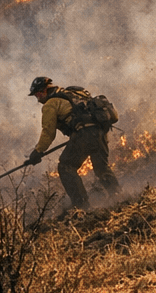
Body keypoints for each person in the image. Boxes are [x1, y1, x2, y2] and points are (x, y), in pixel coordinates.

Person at [27, 75, 120, 211]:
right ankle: (118, 196)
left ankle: (81, 206)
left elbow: (48, 132)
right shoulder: (73, 93)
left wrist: (38, 151)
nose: (38, 98)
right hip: (100, 132)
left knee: (66, 166)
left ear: (45, 90)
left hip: (84, 135)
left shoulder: (50, 104)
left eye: (38, 94)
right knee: (101, 168)